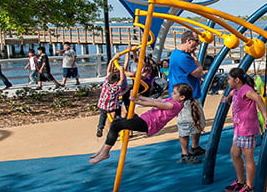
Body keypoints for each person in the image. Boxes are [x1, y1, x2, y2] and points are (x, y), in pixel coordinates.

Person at [89, 83, 201, 164]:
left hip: (148, 124)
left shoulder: (175, 105)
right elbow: (156, 101)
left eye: (175, 92)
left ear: (182, 97)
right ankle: (103, 150)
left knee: (116, 125)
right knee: (117, 122)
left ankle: (105, 152)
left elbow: (155, 104)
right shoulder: (172, 100)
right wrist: (140, 97)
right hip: (146, 119)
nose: (172, 93)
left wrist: (137, 101)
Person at [222, 68, 267, 192]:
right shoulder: (235, 90)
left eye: (229, 79)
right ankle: (240, 181)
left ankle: (249, 187)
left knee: (247, 156)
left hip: (247, 129)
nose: (227, 81)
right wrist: (226, 99)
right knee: (234, 153)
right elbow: (230, 96)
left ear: (237, 80)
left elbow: (258, 99)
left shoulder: (246, 90)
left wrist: (265, 118)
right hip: (238, 129)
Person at [168, 31, 207, 163]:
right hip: (183, 97)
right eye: (197, 42)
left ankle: (195, 147)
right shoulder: (183, 57)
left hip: (190, 94)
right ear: (189, 41)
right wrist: (197, 61)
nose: (197, 45)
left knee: (198, 121)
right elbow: (197, 73)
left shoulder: (180, 54)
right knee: (185, 124)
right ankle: (185, 154)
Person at [96, 56, 129, 138]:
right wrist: (121, 70)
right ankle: (118, 124)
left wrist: (112, 60)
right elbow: (121, 80)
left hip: (103, 106)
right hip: (112, 107)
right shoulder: (115, 88)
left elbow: (108, 71)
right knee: (118, 114)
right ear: (115, 83)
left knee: (103, 115)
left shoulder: (106, 83)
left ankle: (100, 128)